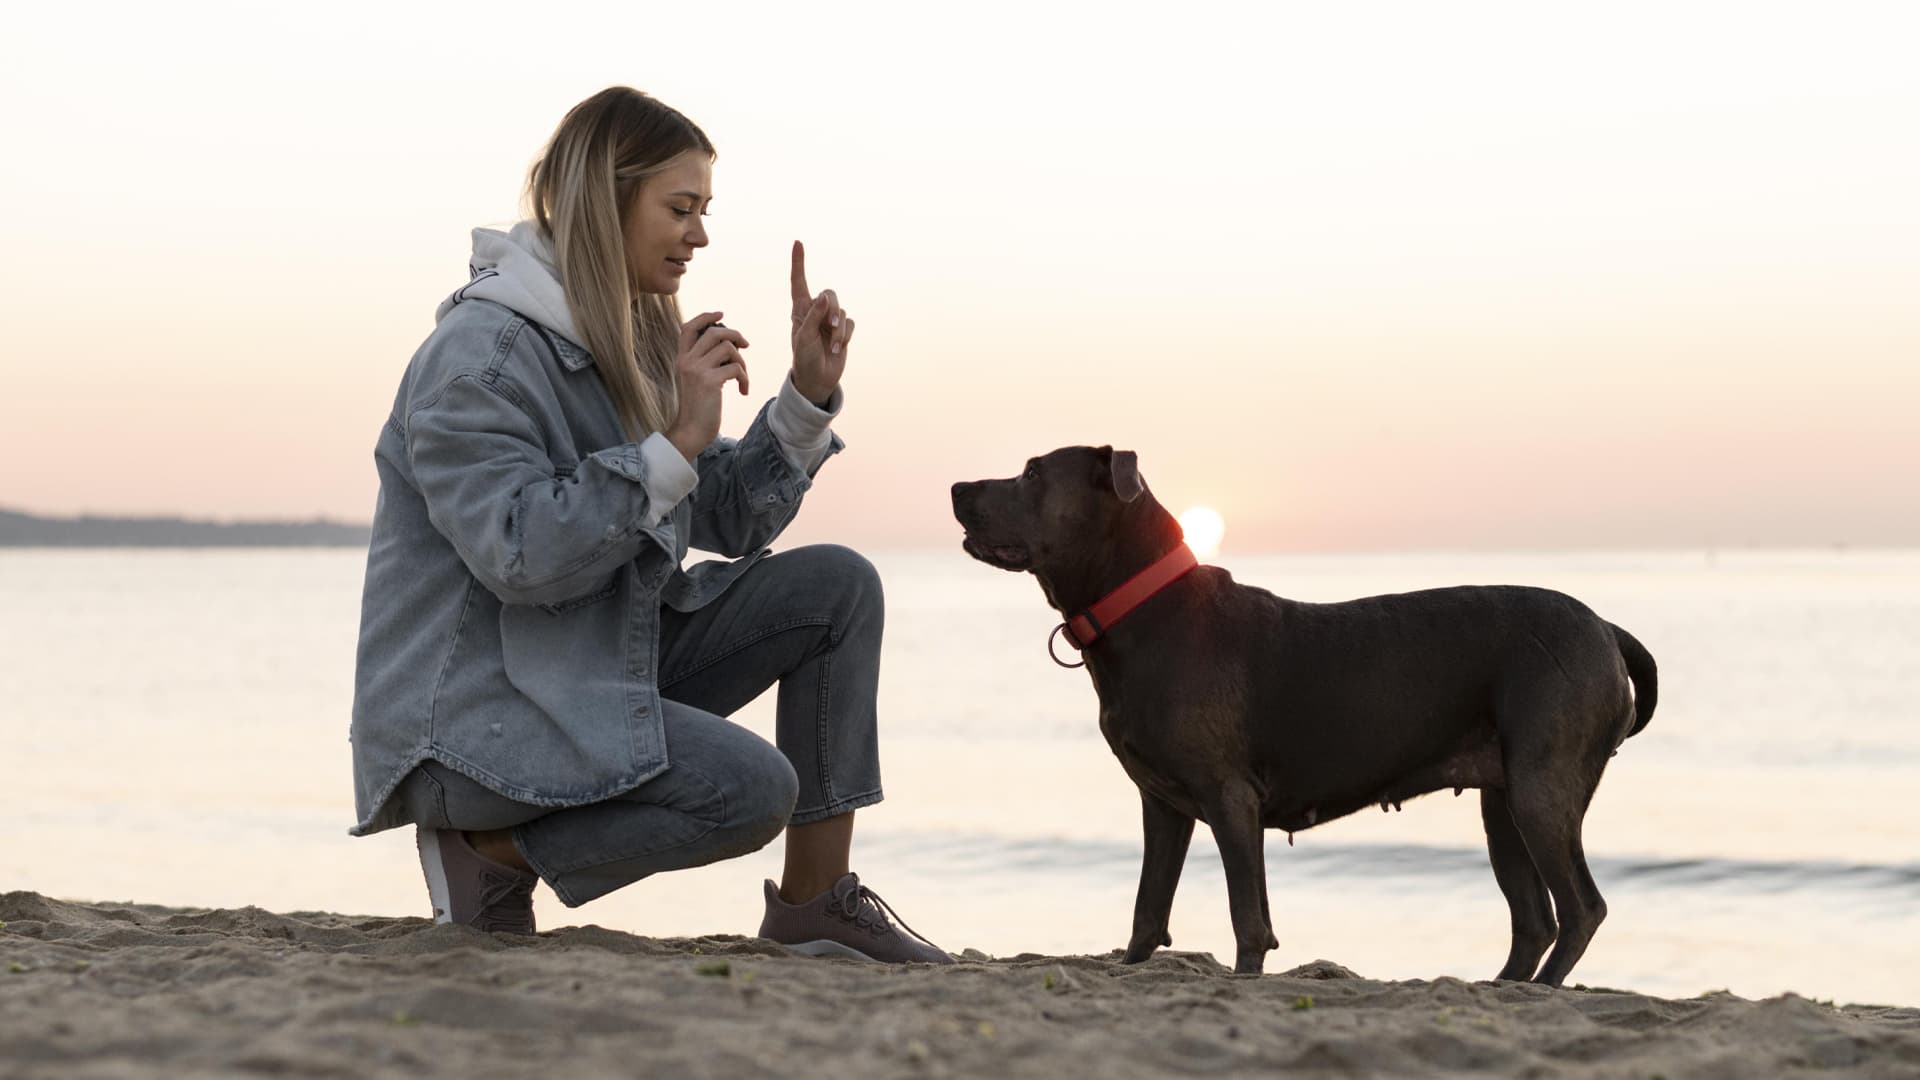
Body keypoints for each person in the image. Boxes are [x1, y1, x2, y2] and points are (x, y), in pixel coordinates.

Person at [347, 86, 951, 965]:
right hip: (477, 724)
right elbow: (519, 555)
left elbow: (726, 515)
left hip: (584, 666)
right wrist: (672, 444)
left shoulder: (623, 338)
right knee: (750, 789)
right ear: (606, 200)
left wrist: (804, 398)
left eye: (705, 211)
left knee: (838, 587)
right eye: (680, 208)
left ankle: (817, 903)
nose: (699, 236)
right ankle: (490, 852)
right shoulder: (479, 360)